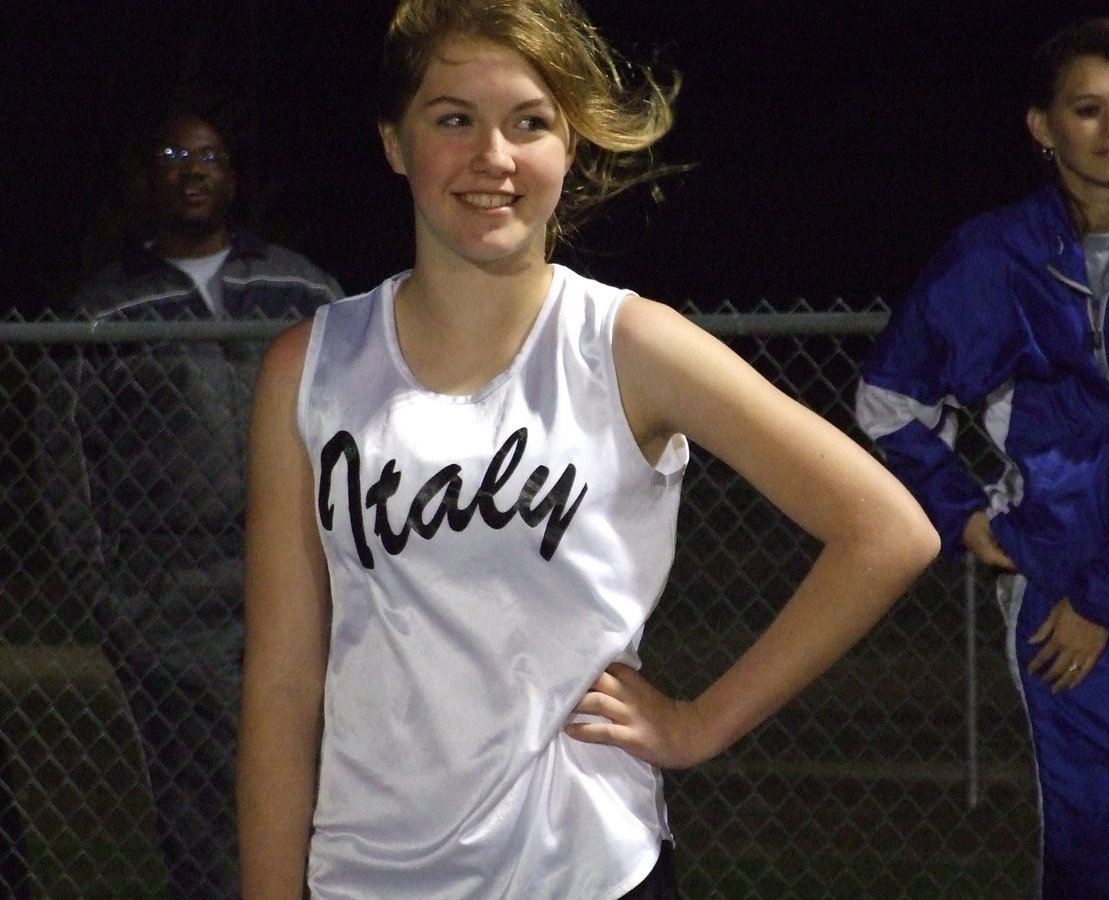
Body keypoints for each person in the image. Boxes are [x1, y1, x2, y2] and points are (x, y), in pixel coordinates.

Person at [235, 2, 939, 897]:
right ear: (395, 141)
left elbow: (887, 532)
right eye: (454, 119)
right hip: (365, 877)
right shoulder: (310, 367)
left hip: (588, 870)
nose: (493, 156)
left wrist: (700, 724)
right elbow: (284, 683)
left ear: (571, 146)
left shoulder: (629, 347)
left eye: (529, 122)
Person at [856, 17, 1109, 900]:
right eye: (1087, 109)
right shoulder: (992, 257)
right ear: (1043, 127)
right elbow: (889, 401)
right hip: (1058, 605)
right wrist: (963, 515)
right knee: (1102, 843)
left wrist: (1108, 601)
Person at [37, 110, 343, 898]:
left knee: (328, 789)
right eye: (175, 154)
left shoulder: (297, 285)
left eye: (211, 156)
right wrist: (115, 599)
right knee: (204, 814)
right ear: (147, 178)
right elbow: (65, 466)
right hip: (175, 609)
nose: (194, 169)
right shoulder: (104, 313)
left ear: (233, 176)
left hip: (311, 589)